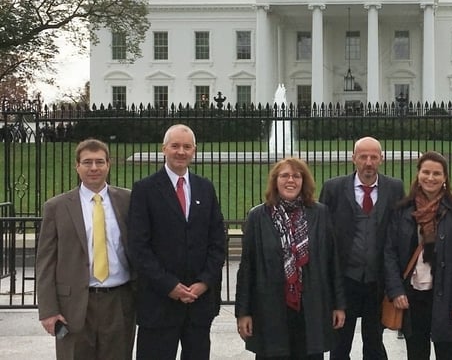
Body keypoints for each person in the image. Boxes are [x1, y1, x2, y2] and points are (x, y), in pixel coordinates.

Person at [128, 124, 226, 360]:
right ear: (164, 149)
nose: (181, 152)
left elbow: (217, 241)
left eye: (187, 147)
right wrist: (169, 285)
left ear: (194, 150)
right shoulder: (145, 189)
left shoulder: (205, 188)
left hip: (199, 304)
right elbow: (138, 247)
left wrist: (204, 282)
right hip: (159, 303)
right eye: (175, 146)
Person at [235, 157, 346, 359]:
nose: (291, 180)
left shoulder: (320, 214)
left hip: (311, 308)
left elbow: (333, 263)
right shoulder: (258, 216)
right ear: (275, 181)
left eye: (296, 176)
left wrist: (339, 305)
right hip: (270, 309)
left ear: (304, 181)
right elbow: (247, 268)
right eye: (284, 175)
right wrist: (243, 312)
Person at [36, 138, 135, 359]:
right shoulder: (57, 207)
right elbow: (45, 262)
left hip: (119, 302)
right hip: (73, 306)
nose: (94, 168)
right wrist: (48, 310)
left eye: (99, 162)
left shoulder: (128, 201)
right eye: (87, 162)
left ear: (108, 164)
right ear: (77, 166)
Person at [383, 151, 452, 360]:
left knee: (447, 354)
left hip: (447, 295)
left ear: (445, 178)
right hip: (412, 296)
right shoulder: (403, 210)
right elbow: (390, 253)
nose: (430, 178)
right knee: (416, 353)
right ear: (418, 174)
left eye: (436, 173)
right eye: (426, 172)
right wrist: (396, 290)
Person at [320, 136, 405, 360]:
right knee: (340, 344)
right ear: (353, 158)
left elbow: (400, 234)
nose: (368, 162)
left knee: (374, 343)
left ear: (382, 159)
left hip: (378, 283)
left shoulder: (394, 188)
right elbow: (323, 236)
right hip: (345, 280)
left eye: (373, 157)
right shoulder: (333, 188)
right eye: (363, 157)